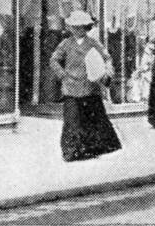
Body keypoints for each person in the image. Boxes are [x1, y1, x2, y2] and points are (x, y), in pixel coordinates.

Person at [50, 9, 122, 162]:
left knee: (92, 119)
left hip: (90, 87)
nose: (77, 30)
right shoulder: (66, 44)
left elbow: (107, 58)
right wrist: (61, 74)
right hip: (71, 87)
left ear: (86, 28)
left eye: (81, 27)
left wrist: (107, 73)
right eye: (74, 27)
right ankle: (71, 151)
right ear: (70, 28)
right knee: (72, 121)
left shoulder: (93, 44)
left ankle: (91, 149)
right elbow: (54, 60)